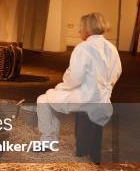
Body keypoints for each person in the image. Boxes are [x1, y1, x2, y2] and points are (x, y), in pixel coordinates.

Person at [37, 12, 122, 148]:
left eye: (80, 27)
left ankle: (47, 142)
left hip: (85, 99)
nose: (78, 31)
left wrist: (61, 86)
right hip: (103, 100)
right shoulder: (112, 48)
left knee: (43, 99)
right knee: (52, 95)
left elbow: (74, 78)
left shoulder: (83, 47)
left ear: (87, 29)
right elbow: (117, 73)